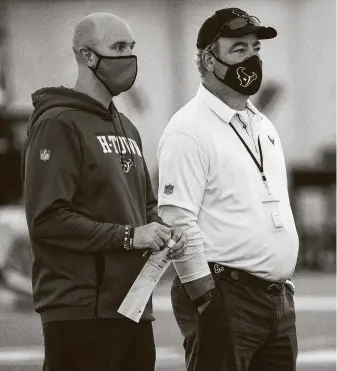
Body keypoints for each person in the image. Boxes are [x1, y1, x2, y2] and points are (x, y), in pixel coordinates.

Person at [22, 12, 186, 371]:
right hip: (81, 311)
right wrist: (130, 236)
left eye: (131, 47)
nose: (128, 57)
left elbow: (145, 205)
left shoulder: (126, 127)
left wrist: (162, 231)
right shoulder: (57, 123)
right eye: (117, 47)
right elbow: (47, 220)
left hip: (133, 308)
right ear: (86, 56)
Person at [157, 7, 298, 371]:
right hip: (226, 295)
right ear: (209, 58)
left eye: (255, 49)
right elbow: (177, 221)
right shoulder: (188, 129)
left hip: (276, 298)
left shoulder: (262, 125)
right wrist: (206, 300)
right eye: (239, 49)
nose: (251, 58)